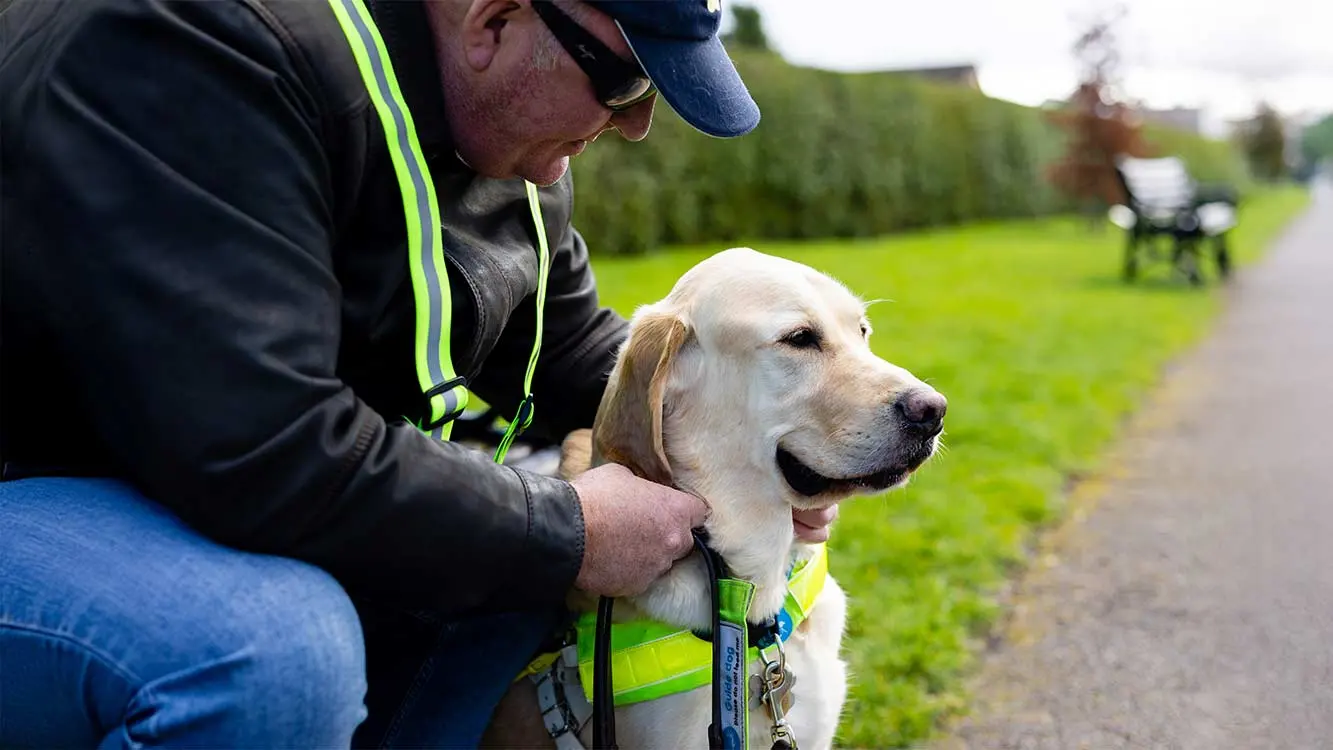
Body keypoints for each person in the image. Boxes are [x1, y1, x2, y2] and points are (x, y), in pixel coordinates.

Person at [0, 0, 838, 746]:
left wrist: (750, 450)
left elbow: (574, 353)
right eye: (623, 81)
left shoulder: (496, 135)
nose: (635, 124)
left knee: (495, 559)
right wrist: (566, 529)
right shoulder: (200, 49)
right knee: (265, 649)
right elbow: (263, 444)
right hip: (41, 486)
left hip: (182, 480)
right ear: (495, 23)